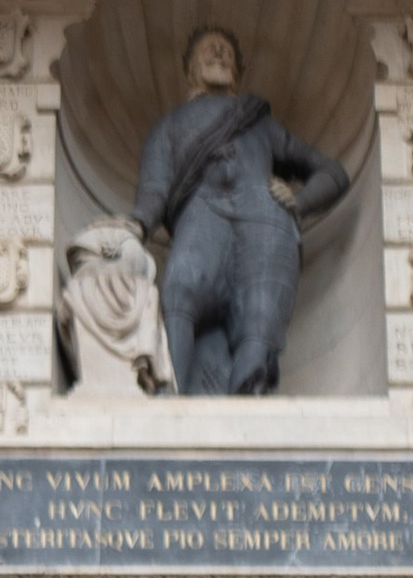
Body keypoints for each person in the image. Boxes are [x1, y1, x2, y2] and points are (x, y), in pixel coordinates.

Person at [130, 25, 349, 399]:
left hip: (263, 218)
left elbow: (333, 173)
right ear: (190, 69)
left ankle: (249, 414)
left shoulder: (258, 122)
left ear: (238, 72)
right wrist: (134, 226)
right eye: (210, 51)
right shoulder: (170, 126)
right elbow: (154, 189)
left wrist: (299, 201)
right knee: (180, 289)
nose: (219, 55)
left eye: (227, 53)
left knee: (259, 317)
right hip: (201, 214)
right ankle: (170, 400)